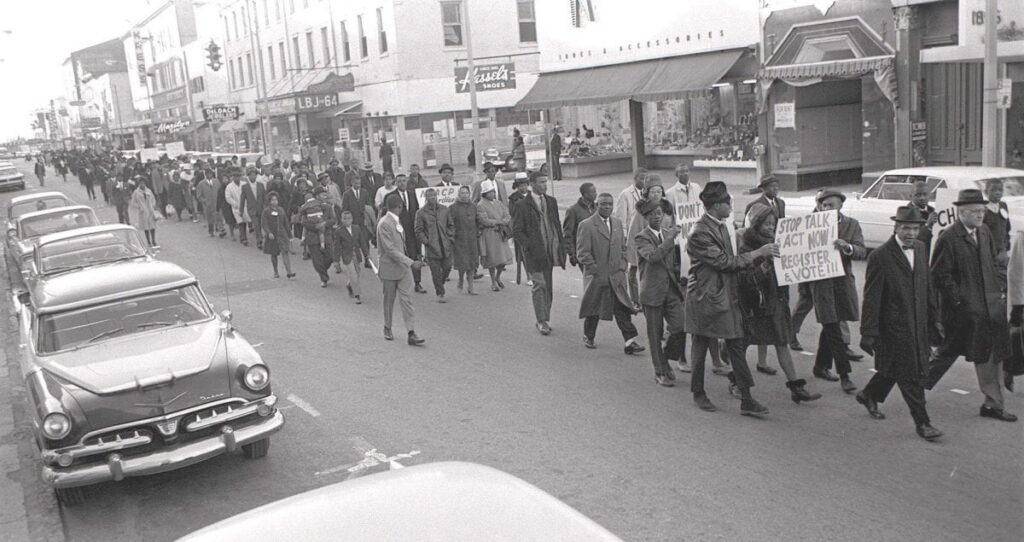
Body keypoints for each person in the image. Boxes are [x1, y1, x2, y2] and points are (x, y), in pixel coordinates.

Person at [926, 189, 1016, 422]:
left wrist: (999, 288)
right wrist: (959, 300)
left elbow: (993, 262)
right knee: (946, 353)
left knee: (990, 354)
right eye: (975, 211)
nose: (980, 215)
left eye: (982, 211)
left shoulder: (984, 231)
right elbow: (940, 276)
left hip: (989, 308)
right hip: (963, 312)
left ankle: (993, 404)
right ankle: (911, 386)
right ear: (961, 213)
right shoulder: (948, 237)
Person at [685, 182, 772, 416]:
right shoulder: (700, 232)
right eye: (727, 203)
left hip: (723, 296)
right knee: (701, 346)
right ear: (716, 206)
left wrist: (757, 259)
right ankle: (699, 393)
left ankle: (747, 398)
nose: (731, 207)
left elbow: (731, 262)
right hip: (705, 298)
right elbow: (724, 262)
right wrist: (758, 253)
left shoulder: (720, 226)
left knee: (735, 343)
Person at [857, 206, 943, 440]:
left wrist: (934, 320)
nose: (911, 233)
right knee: (911, 374)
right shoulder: (880, 256)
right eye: (906, 228)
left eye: (915, 228)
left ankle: (868, 394)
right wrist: (868, 332)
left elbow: (926, 287)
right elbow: (872, 298)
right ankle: (923, 423)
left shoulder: (921, 248)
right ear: (895, 227)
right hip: (893, 329)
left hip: (918, 324)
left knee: (895, 367)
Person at [738, 204, 821, 403]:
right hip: (756, 304)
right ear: (757, 224)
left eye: (773, 224)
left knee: (781, 341)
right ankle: (736, 379)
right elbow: (747, 280)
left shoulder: (780, 241)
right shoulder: (747, 245)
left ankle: (796, 387)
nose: (771, 227)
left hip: (776, 301)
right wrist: (766, 262)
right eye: (766, 224)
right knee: (743, 343)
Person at [809, 190, 867, 393]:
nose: (826, 209)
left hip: (842, 283)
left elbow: (861, 251)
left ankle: (820, 366)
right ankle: (845, 375)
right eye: (823, 205)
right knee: (833, 327)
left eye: (831, 205)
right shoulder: (811, 225)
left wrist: (847, 247)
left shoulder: (852, 225)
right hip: (821, 284)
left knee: (832, 323)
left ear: (841, 206)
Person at [577, 192, 644, 355]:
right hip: (597, 277)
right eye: (603, 204)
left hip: (616, 276)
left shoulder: (617, 223)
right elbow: (583, 253)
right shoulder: (587, 225)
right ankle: (588, 335)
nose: (607, 207)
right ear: (596, 205)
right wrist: (595, 270)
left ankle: (630, 341)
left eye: (610, 204)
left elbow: (623, 247)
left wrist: (622, 265)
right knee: (594, 308)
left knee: (622, 307)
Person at [512, 171, 566, 335]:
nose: (545, 185)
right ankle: (541, 320)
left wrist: (560, 245)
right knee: (539, 284)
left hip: (550, 251)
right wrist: (529, 246)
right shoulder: (522, 205)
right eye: (541, 182)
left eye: (545, 182)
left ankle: (545, 317)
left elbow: (556, 224)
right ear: (532, 184)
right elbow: (517, 231)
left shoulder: (551, 201)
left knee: (548, 286)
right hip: (534, 253)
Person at [378, 193, 426, 345]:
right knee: (389, 300)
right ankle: (387, 327)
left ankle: (411, 332)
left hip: (402, 268)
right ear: (399, 206)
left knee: (407, 300)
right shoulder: (385, 223)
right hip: (390, 268)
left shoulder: (395, 220)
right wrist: (410, 262)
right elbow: (390, 250)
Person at [615, 168, 649, 308]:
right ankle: (635, 300)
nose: (644, 181)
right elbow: (621, 219)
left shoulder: (648, 194)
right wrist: (624, 238)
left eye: (646, 178)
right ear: (634, 179)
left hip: (646, 236)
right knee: (632, 268)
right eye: (641, 178)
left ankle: (645, 297)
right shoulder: (625, 194)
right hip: (632, 236)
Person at [415, 188, 455, 303]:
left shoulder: (444, 209)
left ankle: (440, 284)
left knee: (447, 267)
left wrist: (450, 238)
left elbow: (451, 225)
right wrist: (426, 241)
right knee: (435, 272)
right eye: (430, 196)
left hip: (445, 245)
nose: (432, 197)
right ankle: (440, 293)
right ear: (426, 197)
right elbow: (418, 230)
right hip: (432, 247)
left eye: (434, 195)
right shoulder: (421, 213)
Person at [477, 180, 514, 291]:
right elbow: (484, 220)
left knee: (503, 260)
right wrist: (498, 222)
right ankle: (493, 282)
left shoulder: (498, 202)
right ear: (485, 193)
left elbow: (507, 214)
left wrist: (503, 222)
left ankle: (498, 277)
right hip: (490, 235)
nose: (493, 194)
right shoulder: (481, 205)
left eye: (493, 191)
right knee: (492, 260)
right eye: (490, 192)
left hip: (501, 234)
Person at [391, 174, 425, 293]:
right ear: (396, 183)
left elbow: (418, 210)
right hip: (399, 231)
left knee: (415, 256)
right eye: (399, 181)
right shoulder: (391, 196)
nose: (402, 183)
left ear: (407, 182)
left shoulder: (413, 194)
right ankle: (400, 283)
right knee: (400, 257)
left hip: (412, 232)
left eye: (404, 181)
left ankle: (417, 283)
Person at [300, 187, 338, 287]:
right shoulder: (307, 207)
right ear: (316, 196)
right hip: (313, 237)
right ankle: (324, 278)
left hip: (327, 236)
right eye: (322, 195)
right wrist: (315, 227)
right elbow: (303, 222)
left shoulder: (328, 207)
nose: (324, 196)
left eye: (325, 194)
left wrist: (324, 224)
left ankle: (322, 269)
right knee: (317, 260)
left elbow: (334, 220)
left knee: (330, 256)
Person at [449, 185, 481, 294]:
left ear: (469, 194)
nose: (464, 195)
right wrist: (452, 236)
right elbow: (450, 223)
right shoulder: (453, 208)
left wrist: (479, 231)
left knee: (472, 262)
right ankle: (461, 279)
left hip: (472, 238)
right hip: (459, 239)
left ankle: (470, 286)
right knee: (462, 262)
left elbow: (477, 220)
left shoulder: (473, 206)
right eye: (462, 193)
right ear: (459, 194)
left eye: (466, 193)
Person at [340, 175, 374, 267]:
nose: (358, 185)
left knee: (365, 241)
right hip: (353, 222)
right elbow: (344, 209)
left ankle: (367, 260)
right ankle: (356, 261)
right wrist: (346, 221)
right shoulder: (347, 194)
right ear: (352, 183)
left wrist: (368, 218)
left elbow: (369, 205)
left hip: (364, 222)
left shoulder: (364, 192)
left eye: (359, 183)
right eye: (356, 183)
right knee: (355, 243)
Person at [562, 183, 597, 269]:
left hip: (598, 249)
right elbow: (568, 233)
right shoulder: (573, 210)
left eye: (595, 192)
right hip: (584, 251)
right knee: (590, 274)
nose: (595, 194)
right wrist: (571, 254)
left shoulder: (597, 208)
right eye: (592, 192)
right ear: (585, 194)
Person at [261, 192, 295, 279]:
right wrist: (269, 233)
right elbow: (264, 224)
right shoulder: (266, 211)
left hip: (282, 235)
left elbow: (286, 223)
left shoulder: (281, 210)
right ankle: (275, 271)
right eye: (273, 200)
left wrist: (290, 235)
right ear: (269, 201)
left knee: (285, 252)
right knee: (274, 254)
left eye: (276, 199)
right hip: (273, 236)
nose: (275, 201)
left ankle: (289, 272)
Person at [334, 210, 364, 303]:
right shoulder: (339, 231)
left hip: (356, 255)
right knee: (353, 275)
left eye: (349, 218)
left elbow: (362, 242)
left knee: (357, 272)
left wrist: (367, 254)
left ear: (352, 219)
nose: (347, 220)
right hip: (347, 256)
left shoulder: (356, 228)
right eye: (345, 218)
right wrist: (336, 260)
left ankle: (349, 285)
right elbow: (337, 247)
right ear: (341, 220)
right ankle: (357, 295)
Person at [508, 173, 531, 285]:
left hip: (533, 228)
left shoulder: (532, 195)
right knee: (524, 254)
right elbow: (512, 213)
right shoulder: (513, 198)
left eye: (525, 185)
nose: (523, 187)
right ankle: (529, 276)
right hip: (521, 228)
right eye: (521, 185)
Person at [908, 180, 938, 260]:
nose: (922, 198)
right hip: (916, 258)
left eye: (925, 194)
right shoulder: (905, 214)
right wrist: (928, 225)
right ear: (911, 196)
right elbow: (911, 239)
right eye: (918, 195)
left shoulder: (934, 211)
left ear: (929, 195)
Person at [225, 168, 253, 246]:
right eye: (235, 176)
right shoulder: (229, 187)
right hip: (236, 208)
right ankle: (243, 238)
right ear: (232, 177)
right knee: (241, 222)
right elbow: (228, 198)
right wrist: (235, 204)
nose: (237, 178)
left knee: (246, 221)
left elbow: (249, 194)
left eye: (238, 176)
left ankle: (246, 235)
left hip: (245, 206)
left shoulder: (244, 184)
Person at [130, 177, 159, 249]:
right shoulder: (136, 192)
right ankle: (148, 241)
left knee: (152, 226)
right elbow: (133, 202)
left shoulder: (149, 191)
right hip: (143, 212)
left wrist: (153, 206)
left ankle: (153, 240)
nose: (142, 184)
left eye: (143, 183)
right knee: (145, 227)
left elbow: (153, 199)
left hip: (150, 211)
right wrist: (139, 207)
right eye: (141, 183)